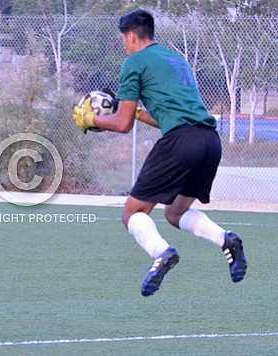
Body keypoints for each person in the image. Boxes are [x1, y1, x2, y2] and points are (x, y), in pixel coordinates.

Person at [73, 9, 247, 297]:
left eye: (123, 39)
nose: (123, 44)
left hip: (180, 143)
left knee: (132, 212)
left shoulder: (134, 62)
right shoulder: (177, 60)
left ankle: (161, 253)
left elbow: (121, 124)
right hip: (209, 142)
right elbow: (172, 115)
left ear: (130, 36)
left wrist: (90, 120)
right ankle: (226, 240)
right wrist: (141, 112)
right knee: (175, 212)